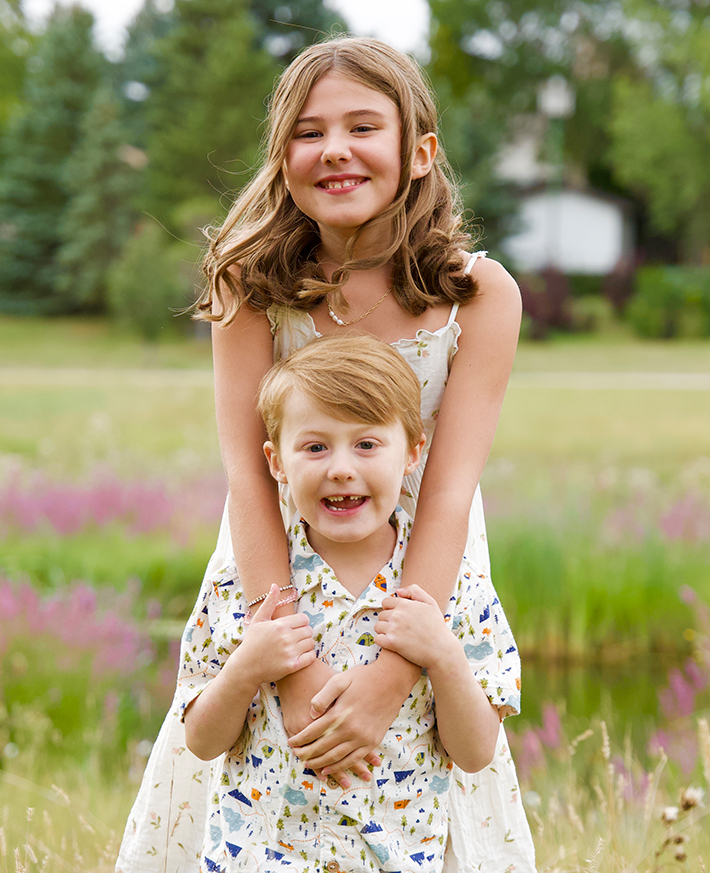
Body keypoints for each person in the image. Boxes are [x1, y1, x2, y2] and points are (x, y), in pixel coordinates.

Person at [116, 34, 534, 873]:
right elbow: (246, 469)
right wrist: (293, 665)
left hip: (426, 573)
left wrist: (391, 674)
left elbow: (449, 491)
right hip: (276, 566)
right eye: (309, 132)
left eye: (362, 128)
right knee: (262, 772)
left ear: (419, 153)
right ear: (283, 155)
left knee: (419, 778)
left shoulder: (478, 294)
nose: (334, 150)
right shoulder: (251, 285)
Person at [178, 335, 522, 872]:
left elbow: (476, 753)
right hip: (260, 856)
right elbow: (200, 741)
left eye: (366, 445)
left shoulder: (456, 588)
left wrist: (442, 656)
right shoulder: (243, 586)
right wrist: (248, 667)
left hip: (395, 858)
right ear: (277, 461)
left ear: (413, 452)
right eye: (315, 447)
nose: (340, 468)